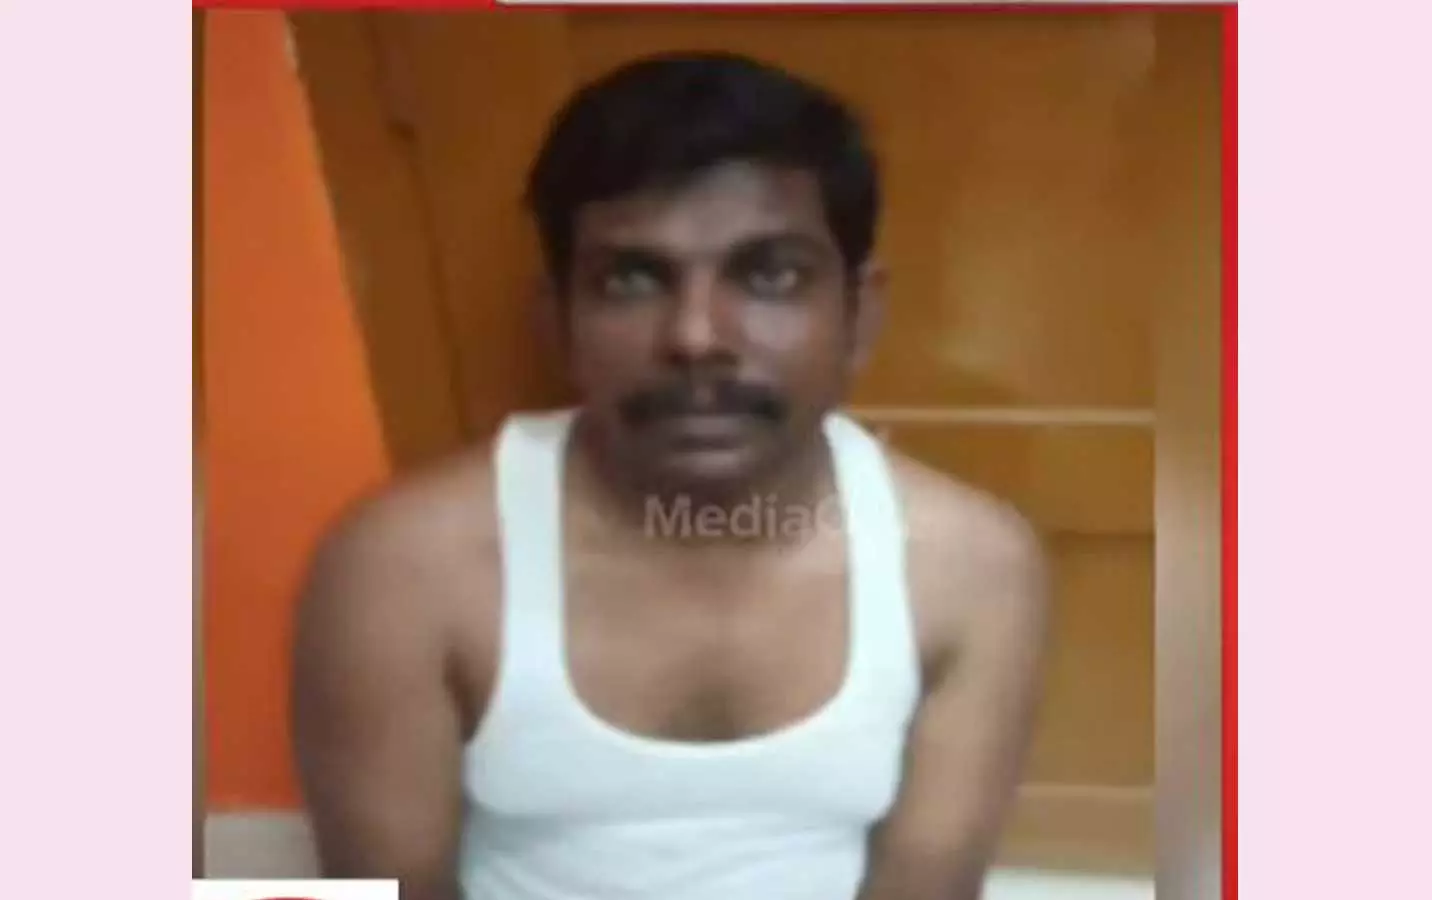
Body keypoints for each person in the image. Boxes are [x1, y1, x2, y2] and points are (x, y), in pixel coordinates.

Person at [292, 52, 1049, 900]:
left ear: (859, 315)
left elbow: (929, 888)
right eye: (630, 279)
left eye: (770, 274)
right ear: (559, 322)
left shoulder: (970, 565)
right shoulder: (403, 566)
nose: (696, 337)